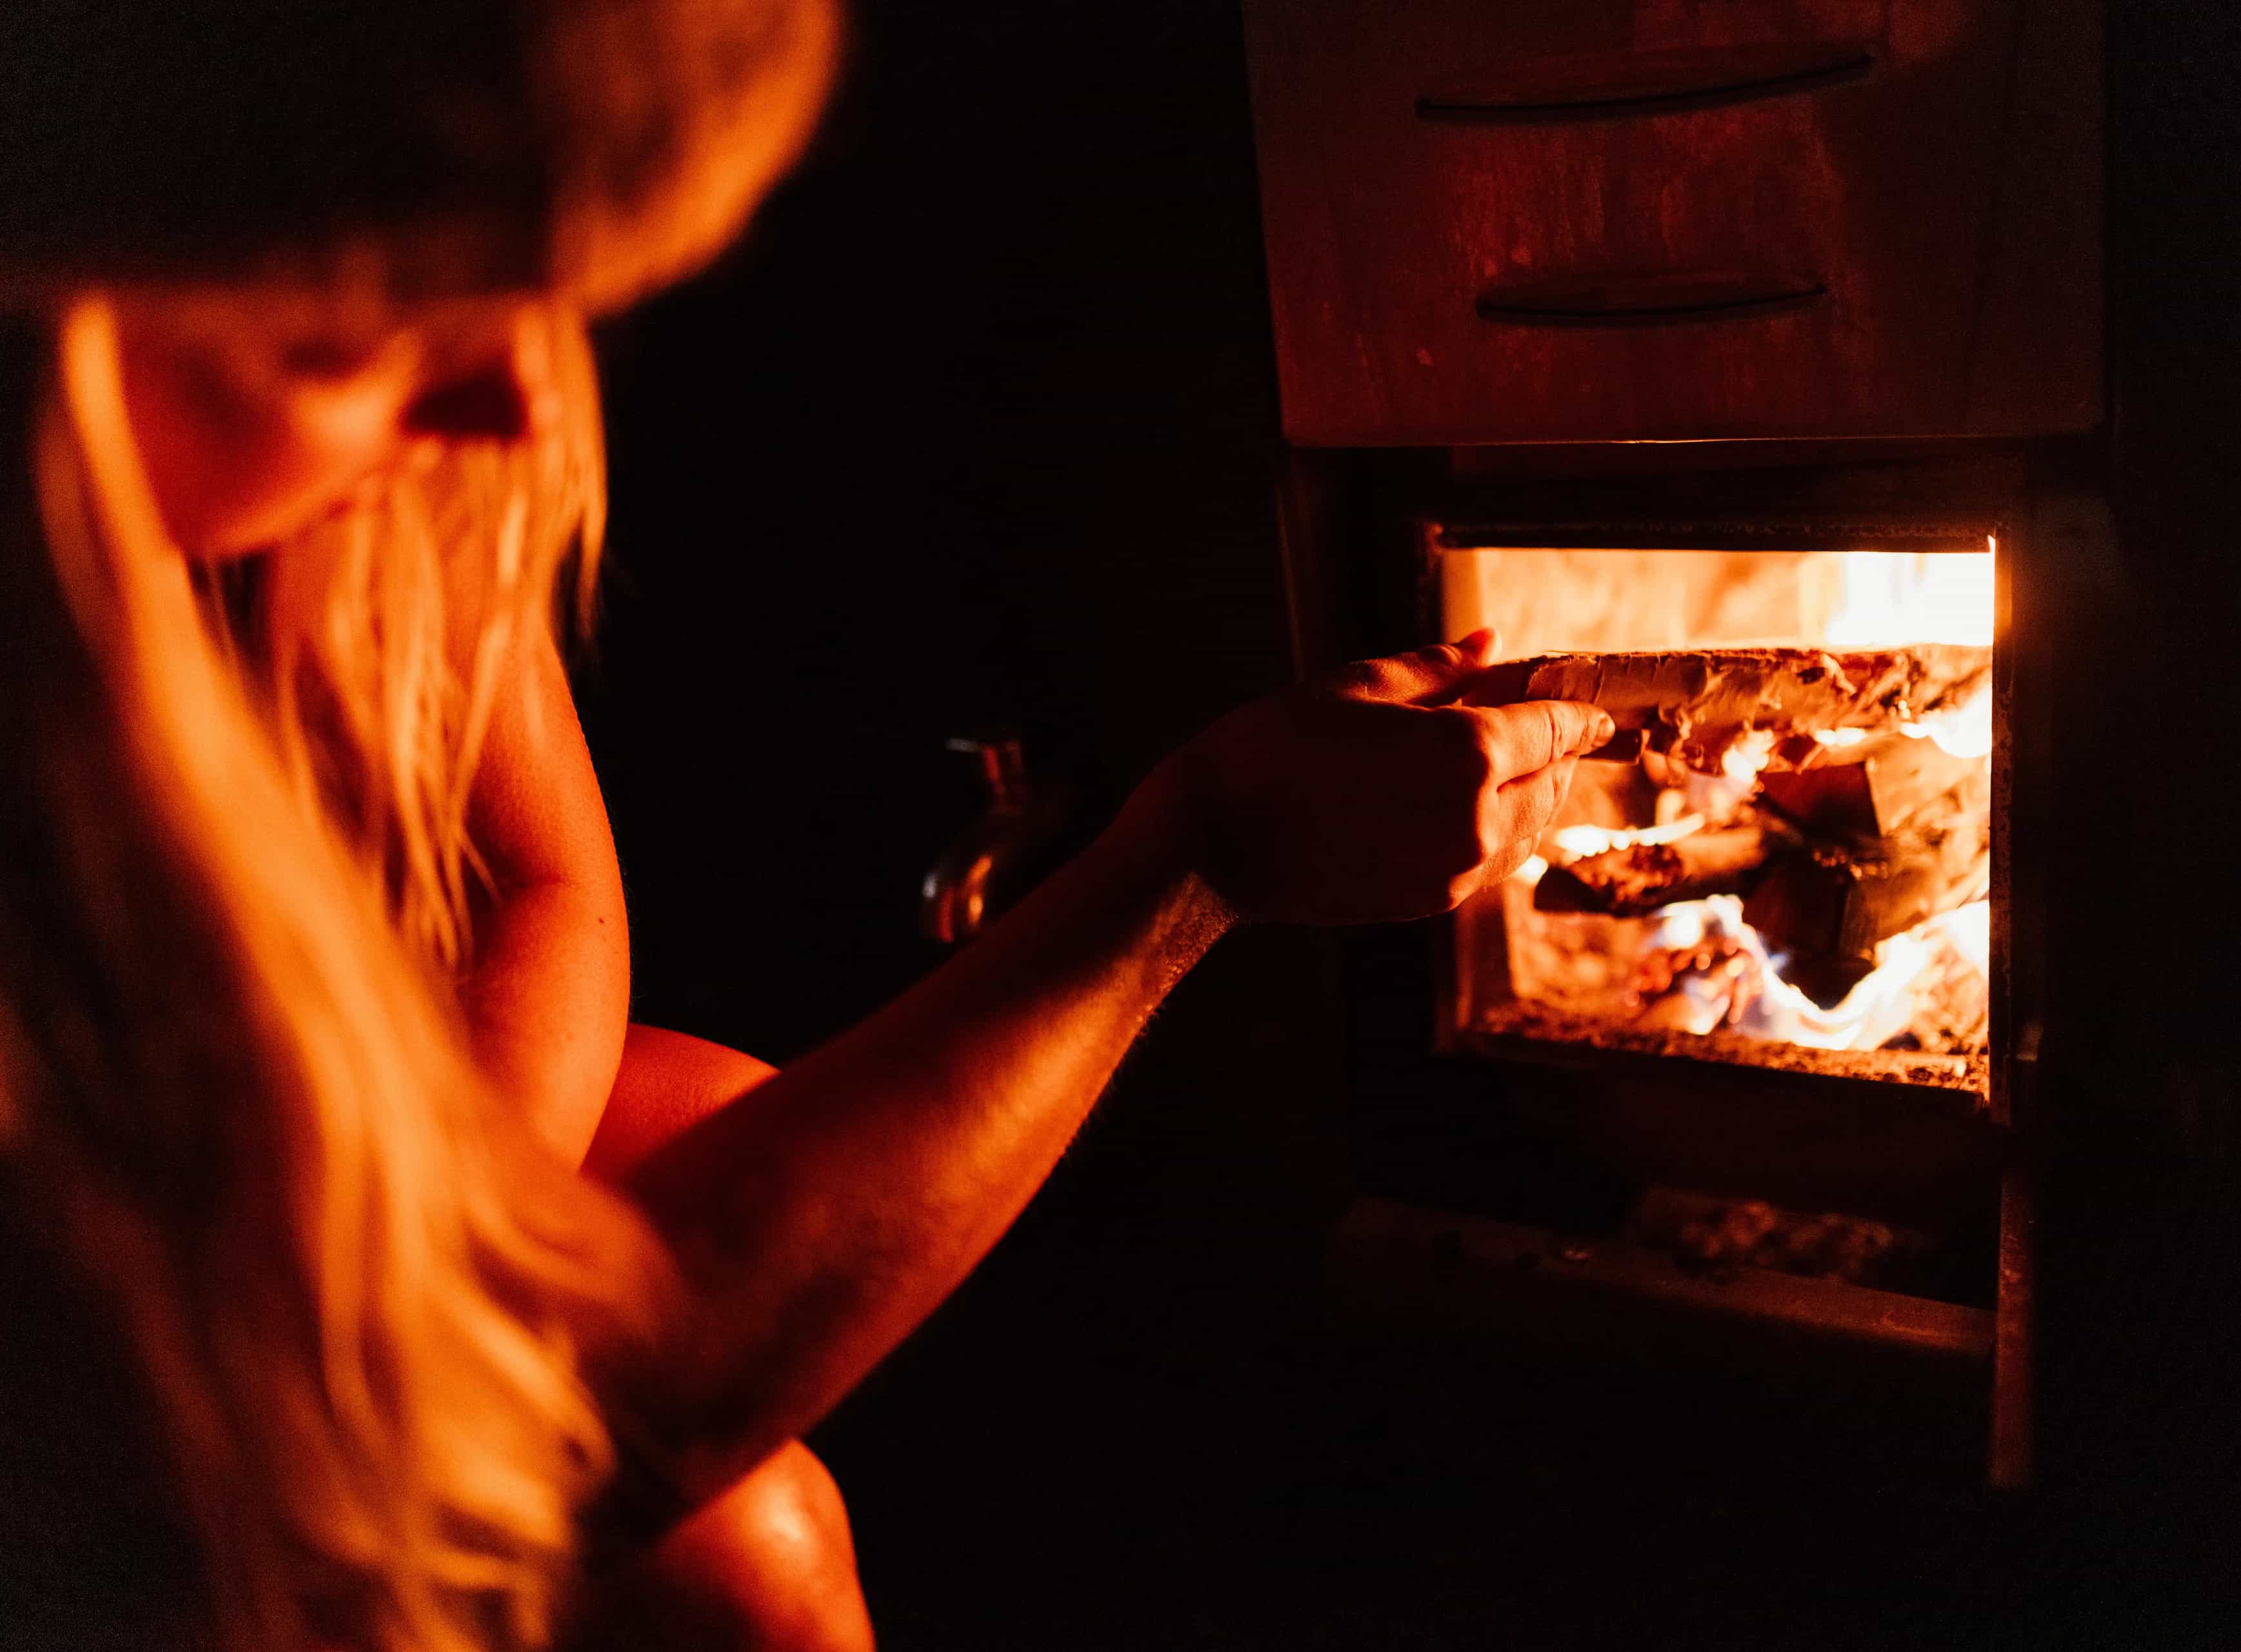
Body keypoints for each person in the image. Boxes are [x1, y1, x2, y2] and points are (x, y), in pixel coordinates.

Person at [0, 3, 1613, 1649]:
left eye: (533, 296)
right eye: (350, 334)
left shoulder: (385, 450)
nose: (523, 413)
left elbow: (531, 881)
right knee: (737, 1526)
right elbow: (380, 1464)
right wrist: (1189, 869)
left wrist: (460, 1242)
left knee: (703, 1163)